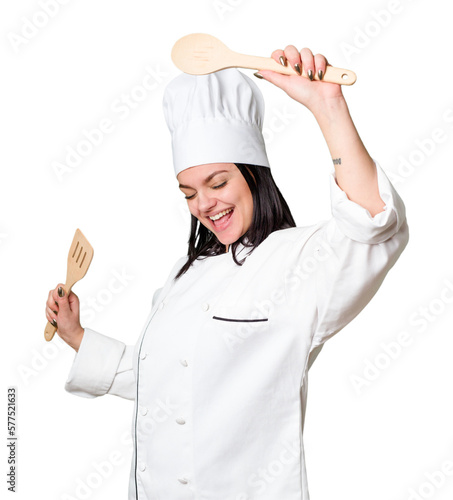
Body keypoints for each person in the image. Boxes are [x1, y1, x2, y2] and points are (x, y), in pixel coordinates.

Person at [45, 46, 409, 500]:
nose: (204, 204)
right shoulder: (184, 273)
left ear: (253, 174)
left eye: (218, 183)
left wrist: (327, 107)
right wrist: (77, 335)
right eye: (189, 193)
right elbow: (163, 379)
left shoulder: (297, 261)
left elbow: (373, 225)